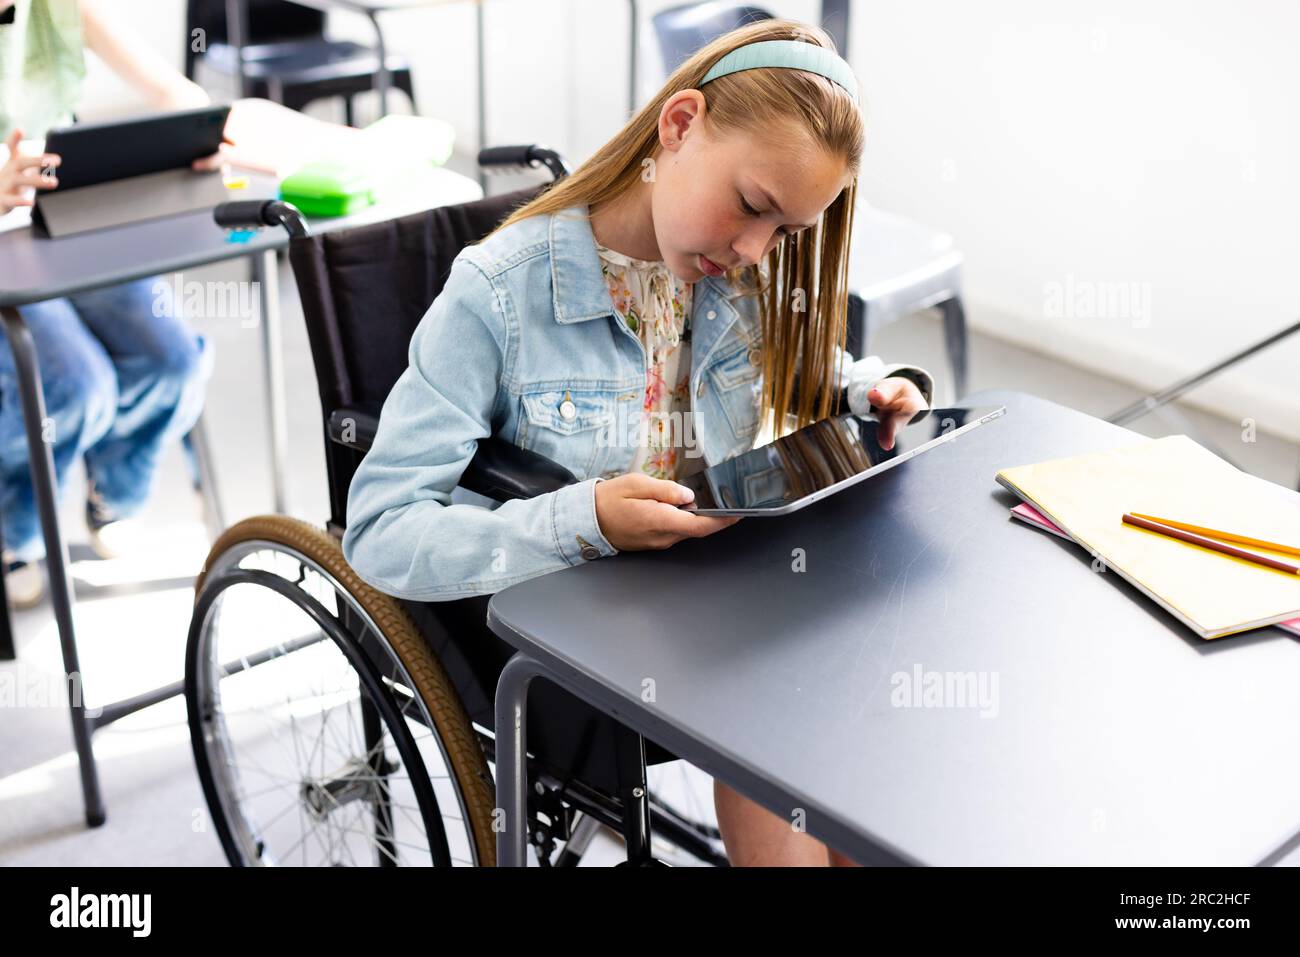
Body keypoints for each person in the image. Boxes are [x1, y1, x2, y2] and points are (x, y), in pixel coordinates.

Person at [343, 20, 935, 866]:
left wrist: (861, 389)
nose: (753, 252)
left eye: (785, 234)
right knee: (783, 698)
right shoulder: (497, 295)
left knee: (872, 653)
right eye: (754, 207)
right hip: (584, 616)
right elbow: (380, 530)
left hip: (709, 583)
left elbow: (803, 361)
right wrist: (582, 519)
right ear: (680, 125)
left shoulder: (735, 273)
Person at [0, 0, 225, 607]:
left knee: (174, 362)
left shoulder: (57, 7)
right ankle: (12, 531)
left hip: (63, 219)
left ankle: (114, 495)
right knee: (75, 388)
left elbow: (165, 88)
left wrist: (201, 133)